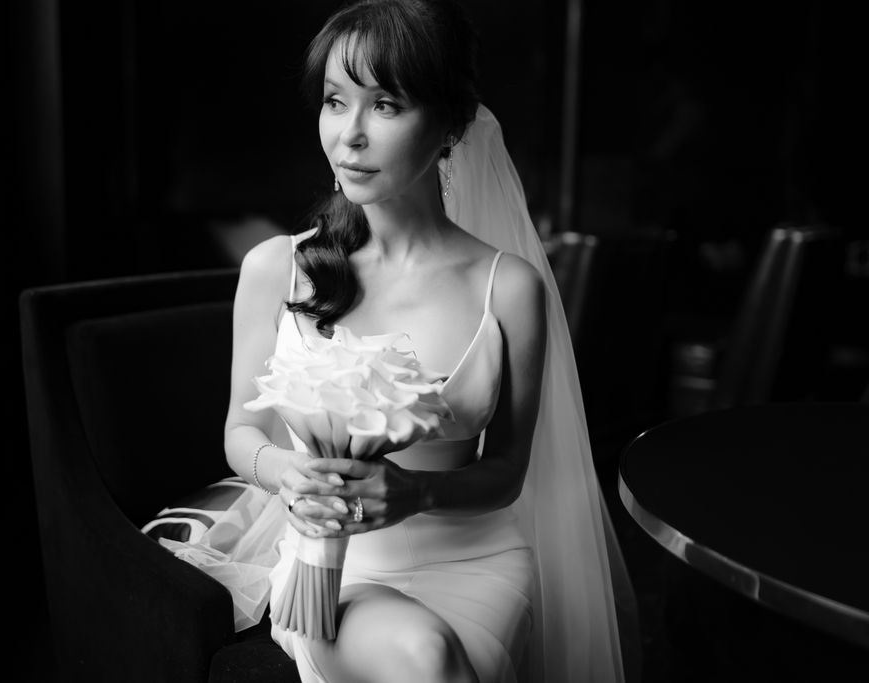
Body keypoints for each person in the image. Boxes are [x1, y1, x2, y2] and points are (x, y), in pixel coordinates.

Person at [223, 1, 636, 681]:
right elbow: (241, 431)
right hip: (336, 572)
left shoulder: (509, 288)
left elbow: (506, 472)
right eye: (335, 101)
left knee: (434, 656)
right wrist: (286, 472)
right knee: (428, 657)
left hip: (478, 562)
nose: (350, 135)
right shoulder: (277, 268)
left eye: (385, 105)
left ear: (450, 125)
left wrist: (416, 493)